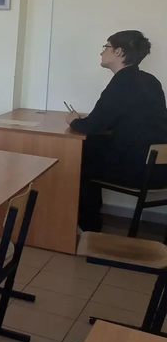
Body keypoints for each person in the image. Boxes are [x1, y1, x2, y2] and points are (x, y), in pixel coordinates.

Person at [66, 30, 167, 232]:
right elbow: (137, 120)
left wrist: (74, 121)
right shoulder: (151, 81)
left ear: (119, 52)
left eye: (106, 47)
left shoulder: (122, 82)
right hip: (159, 167)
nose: (102, 52)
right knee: (92, 148)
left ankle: (88, 228)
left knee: (76, 157)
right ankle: (90, 224)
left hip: (139, 171)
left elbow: (92, 126)